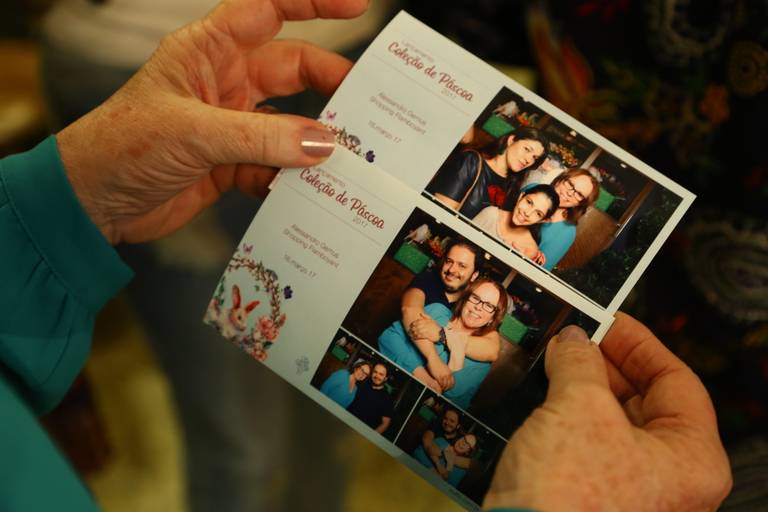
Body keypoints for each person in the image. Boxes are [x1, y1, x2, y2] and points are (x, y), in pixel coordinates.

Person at [0, 0, 732, 509]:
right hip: (131, 48)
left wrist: (56, 203)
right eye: (544, 180)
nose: (544, 194)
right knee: (236, 428)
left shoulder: (520, 263)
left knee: (314, 407)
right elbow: (420, 290)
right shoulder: (473, 196)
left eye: (557, 195)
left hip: (355, 44)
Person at [381, 278, 508, 408]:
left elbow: (459, 401)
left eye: (488, 306)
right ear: (465, 298)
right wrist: (422, 375)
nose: (478, 307)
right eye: (475, 298)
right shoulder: (438, 311)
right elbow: (388, 338)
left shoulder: (482, 360)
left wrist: (447, 409)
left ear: (492, 318)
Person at [427, 127, 549, 218]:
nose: (528, 160)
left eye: (534, 158)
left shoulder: (512, 187)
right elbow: (439, 212)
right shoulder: (471, 161)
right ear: (511, 140)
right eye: (527, 149)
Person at [530, 168, 600, 270]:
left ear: (581, 203)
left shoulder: (567, 232)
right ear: (561, 179)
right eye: (570, 184)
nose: (570, 193)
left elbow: (537, 270)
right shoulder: (532, 189)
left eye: (579, 194)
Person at [472, 183, 559, 259]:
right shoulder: (490, 214)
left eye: (538, 214)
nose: (527, 213)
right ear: (521, 197)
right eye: (529, 202)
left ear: (542, 220)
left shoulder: (530, 249)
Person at [346, 363, 395, 435]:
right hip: (345, 421)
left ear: (385, 378)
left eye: (381, 374)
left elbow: (385, 424)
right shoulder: (362, 383)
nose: (377, 376)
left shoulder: (387, 399)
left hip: (361, 434)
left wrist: (370, 436)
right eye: (375, 372)